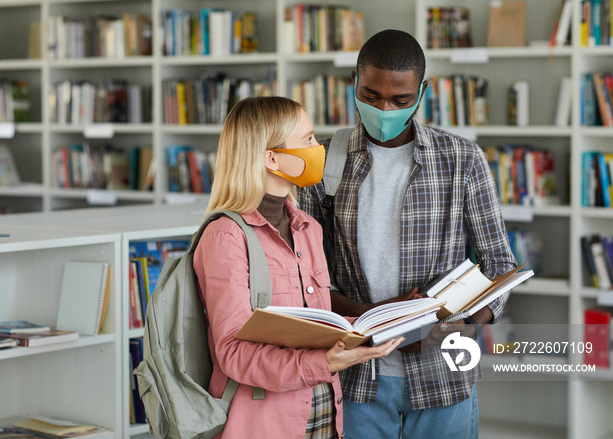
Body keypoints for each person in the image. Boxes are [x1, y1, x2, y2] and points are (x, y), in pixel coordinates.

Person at [298, 29, 518, 438]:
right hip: (356, 377)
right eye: (370, 96)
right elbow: (305, 278)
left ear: (422, 91)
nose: (384, 110)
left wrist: (469, 325)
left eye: (400, 100)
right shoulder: (323, 161)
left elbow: (499, 265)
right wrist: (374, 322)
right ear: (353, 83)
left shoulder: (462, 160)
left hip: (445, 373)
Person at [193, 96, 403, 439]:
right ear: (272, 158)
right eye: (307, 141)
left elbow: (316, 324)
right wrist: (324, 363)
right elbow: (231, 352)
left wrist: (371, 326)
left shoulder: (308, 228)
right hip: (263, 425)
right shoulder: (225, 237)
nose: (318, 148)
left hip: (325, 416)